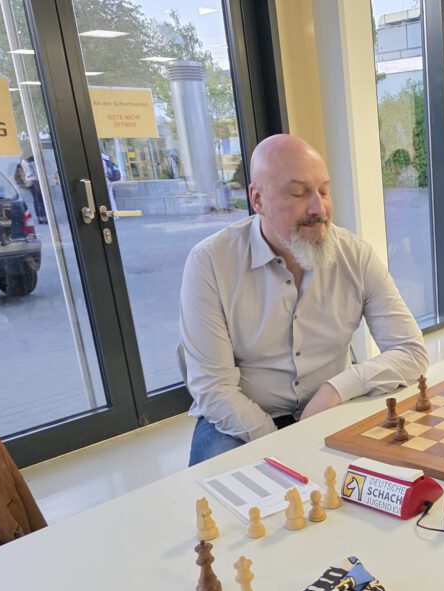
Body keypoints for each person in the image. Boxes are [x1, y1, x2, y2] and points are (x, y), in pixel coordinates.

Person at [179, 134, 429, 465]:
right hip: (239, 421)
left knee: (387, 481)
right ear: (257, 199)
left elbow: (411, 351)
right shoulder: (210, 262)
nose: (318, 209)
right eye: (298, 193)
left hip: (332, 407)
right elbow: (214, 389)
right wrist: (284, 445)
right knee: (221, 492)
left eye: (323, 191)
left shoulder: (355, 255)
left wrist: (335, 389)